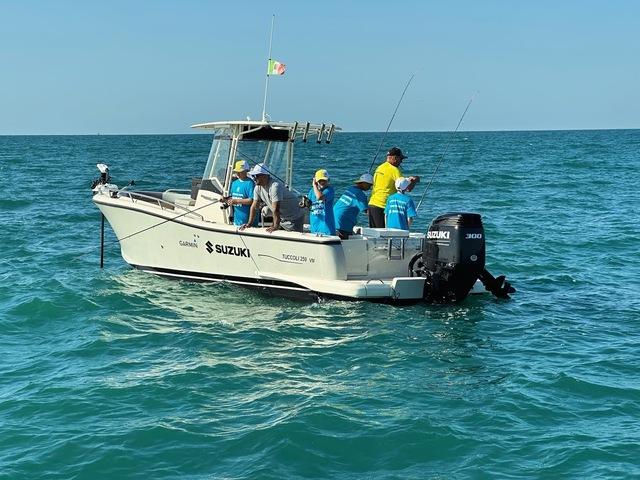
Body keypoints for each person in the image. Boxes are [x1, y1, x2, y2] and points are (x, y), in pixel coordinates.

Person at [240, 163, 305, 233]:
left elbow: (276, 209)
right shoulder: (257, 188)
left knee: (292, 238)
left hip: (294, 217)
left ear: (264, 176)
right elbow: (254, 206)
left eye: (256, 176)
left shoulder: (275, 186)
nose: (254, 178)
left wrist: (275, 226)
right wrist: (249, 223)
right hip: (282, 217)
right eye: (253, 176)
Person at [368, 147, 420, 228]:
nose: (401, 161)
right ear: (395, 158)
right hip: (383, 206)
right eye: (400, 159)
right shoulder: (394, 170)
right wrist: (415, 180)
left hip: (372, 205)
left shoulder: (379, 167)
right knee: (385, 234)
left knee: (375, 234)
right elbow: (406, 188)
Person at [333, 173, 373, 239]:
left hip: (334, 220)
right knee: (344, 243)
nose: (370, 187)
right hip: (343, 223)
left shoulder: (351, 189)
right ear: (364, 183)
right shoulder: (360, 195)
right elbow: (368, 212)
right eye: (369, 185)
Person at [225, 160, 256, 226]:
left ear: (246, 171)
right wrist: (225, 199)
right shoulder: (234, 183)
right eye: (237, 172)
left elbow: (251, 200)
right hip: (236, 221)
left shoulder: (250, 183)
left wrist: (236, 201)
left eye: (240, 172)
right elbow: (232, 197)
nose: (238, 174)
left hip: (248, 223)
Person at [307, 169, 336, 235]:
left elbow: (319, 197)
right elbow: (308, 203)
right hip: (314, 228)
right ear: (316, 181)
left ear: (328, 180)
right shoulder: (312, 190)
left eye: (324, 180)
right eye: (320, 181)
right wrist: (304, 203)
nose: (322, 182)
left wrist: (314, 185)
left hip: (327, 230)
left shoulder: (329, 190)